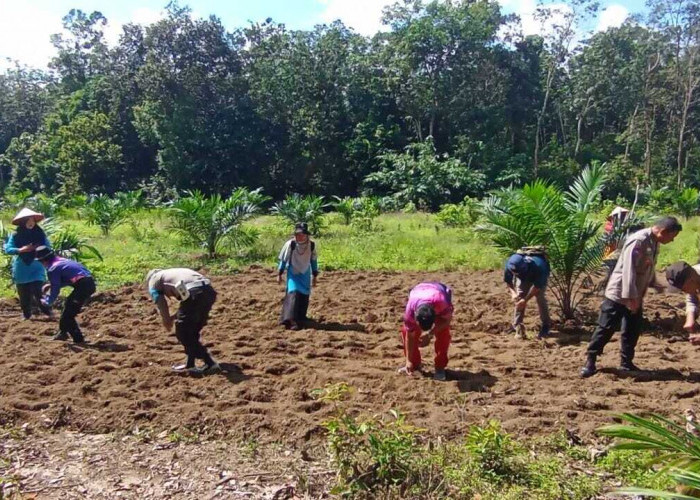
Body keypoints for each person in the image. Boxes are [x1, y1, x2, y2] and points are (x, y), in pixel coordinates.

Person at [580, 216, 683, 378]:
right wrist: (631, 298)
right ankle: (590, 360)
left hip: (636, 293)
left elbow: (648, 266)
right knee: (606, 327)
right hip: (620, 293)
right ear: (663, 232)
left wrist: (653, 283)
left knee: (632, 329)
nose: (672, 241)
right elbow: (629, 270)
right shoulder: (639, 241)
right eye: (672, 237)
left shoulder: (654, 242)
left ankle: (626, 362)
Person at [146, 268, 220, 374]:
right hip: (208, 291)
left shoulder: (153, 281)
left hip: (195, 291)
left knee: (183, 332)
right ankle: (190, 364)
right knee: (192, 330)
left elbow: (160, 301)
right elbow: (187, 301)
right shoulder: (172, 273)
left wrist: (166, 320)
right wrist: (176, 315)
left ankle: (210, 363)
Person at [36, 246, 96, 343]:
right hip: (88, 282)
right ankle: (62, 333)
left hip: (83, 286)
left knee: (68, 315)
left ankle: (78, 339)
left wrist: (48, 301)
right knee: (67, 307)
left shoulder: (52, 268)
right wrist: (51, 285)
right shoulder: (63, 261)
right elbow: (71, 278)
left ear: (43, 261)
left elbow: (55, 289)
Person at [3, 208, 52, 320]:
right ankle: (26, 315)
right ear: (23, 222)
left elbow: (48, 247)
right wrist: (22, 249)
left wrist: (38, 249)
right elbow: (8, 249)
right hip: (22, 267)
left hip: (37, 266)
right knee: (23, 293)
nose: (31, 223)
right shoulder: (15, 235)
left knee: (38, 290)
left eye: (32, 220)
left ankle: (48, 312)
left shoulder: (40, 233)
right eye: (28, 220)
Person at [399, 282, 453, 381]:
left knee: (443, 332)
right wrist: (408, 360)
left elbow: (447, 320)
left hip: (438, 291)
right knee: (405, 330)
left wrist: (430, 334)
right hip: (419, 291)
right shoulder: (410, 311)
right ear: (415, 318)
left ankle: (440, 367)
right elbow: (409, 335)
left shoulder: (442, 303)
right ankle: (414, 365)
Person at [277, 222, 318, 330]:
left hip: (305, 273)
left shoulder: (311, 245)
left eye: (302, 235)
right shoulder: (290, 244)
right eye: (298, 234)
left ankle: (301, 317)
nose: (300, 237)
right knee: (293, 293)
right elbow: (283, 259)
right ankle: (290, 320)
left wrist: (315, 275)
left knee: (304, 294)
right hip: (293, 272)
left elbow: (313, 261)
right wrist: (280, 273)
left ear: (306, 235)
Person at [503, 249, 551, 339]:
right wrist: (513, 293)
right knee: (519, 297)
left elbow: (537, 288)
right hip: (524, 279)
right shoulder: (509, 265)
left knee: (540, 299)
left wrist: (525, 300)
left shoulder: (539, 266)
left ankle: (546, 325)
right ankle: (517, 326)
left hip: (537, 277)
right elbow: (508, 281)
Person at [665, 261, 700, 345]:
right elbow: (692, 299)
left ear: (690, 280)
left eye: (683, 289)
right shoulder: (694, 275)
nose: (684, 292)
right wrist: (690, 319)